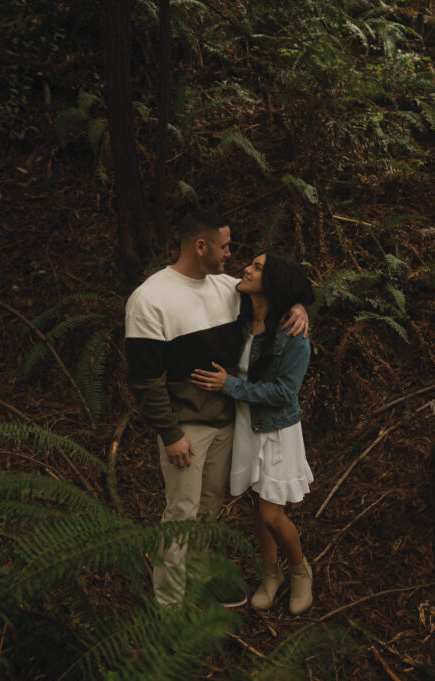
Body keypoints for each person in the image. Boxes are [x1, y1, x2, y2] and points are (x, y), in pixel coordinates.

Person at [124, 211, 308, 606]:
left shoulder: (227, 288)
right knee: (182, 513)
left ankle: (202, 583)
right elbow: (144, 379)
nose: (232, 256)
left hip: (228, 424)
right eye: (224, 247)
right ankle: (170, 605)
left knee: (209, 510)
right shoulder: (150, 298)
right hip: (186, 429)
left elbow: (276, 291)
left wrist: (298, 307)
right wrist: (170, 434)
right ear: (201, 246)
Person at [190, 251, 316, 615]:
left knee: (272, 513)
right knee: (255, 509)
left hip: (276, 432)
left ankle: (300, 570)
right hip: (245, 428)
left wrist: (228, 385)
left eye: (257, 267)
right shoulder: (241, 315)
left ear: (273, 283)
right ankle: (270, 575)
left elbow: (283, 394)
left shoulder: (293, 335)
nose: (245, 268)